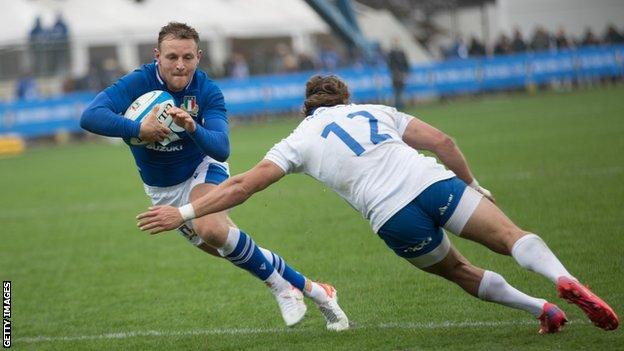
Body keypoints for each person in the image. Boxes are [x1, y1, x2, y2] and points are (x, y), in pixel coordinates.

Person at [137, 75, 619, 334]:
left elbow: (243, 185)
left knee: (460, 271)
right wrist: (475, 184)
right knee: (511, 237)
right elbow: (444, 141)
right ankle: (561, 279)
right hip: (432, 184)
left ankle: (541, 310)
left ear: (307, 108)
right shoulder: (375, 111)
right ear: (346, 99)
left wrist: (182, 214)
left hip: (393, 219)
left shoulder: (299, 138)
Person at [80, 23, 348, 331]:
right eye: (171, 57)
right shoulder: (137, 83)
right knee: (229, 247)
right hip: (162, 188)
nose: (180, 65)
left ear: (198, 57)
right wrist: (138, 129)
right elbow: (90, 116)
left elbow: (221, 148)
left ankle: (281, 287)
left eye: (187, 57)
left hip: (203, 169)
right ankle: (317, 291)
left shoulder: (207, 90)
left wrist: (193, 128)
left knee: (210, 227)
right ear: (157, 56)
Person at [386, 38, 409, 110]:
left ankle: (400, 104)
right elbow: (390, 63)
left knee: (401, 89)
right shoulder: (391, 53)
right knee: (396, 90)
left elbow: (406, 63)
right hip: (395, 73)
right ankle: (397, 105)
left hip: (401, 73)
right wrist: (395, 71)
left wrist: (405, 71)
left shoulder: (401, 52)